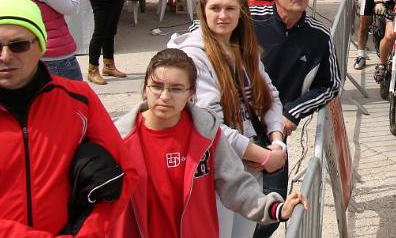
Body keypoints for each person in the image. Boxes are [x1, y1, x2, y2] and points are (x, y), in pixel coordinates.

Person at [0, 0, 132, 235]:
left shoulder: (79, 99)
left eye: (18, 45)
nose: (5, 56)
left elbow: (125, 172)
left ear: (40, 47)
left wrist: (88, 233)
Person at [113, 48, 308, 237]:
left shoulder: (206, 133)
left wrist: (276, 208)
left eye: (176, 89)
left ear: (191, 93)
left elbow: (235, 183)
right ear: (145, 88)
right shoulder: (118, 140)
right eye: (156, 86)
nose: (165, 96)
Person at [167, 0, 286, 238]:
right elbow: (210, 125)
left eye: (230, 9)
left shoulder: (243, 49)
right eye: (216, 8)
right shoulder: (193, 57)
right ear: (203, 10)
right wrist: (264, 157)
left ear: (241, 12)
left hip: (250, 166)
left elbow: (272, 98)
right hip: (216, 170)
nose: (223, 16)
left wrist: (277, 142)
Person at [252, 0, 340, 238]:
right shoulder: (250, 22)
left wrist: (293, 112)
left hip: (276, 134)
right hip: (237, 127)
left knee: (273, 210)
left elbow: (331, 85)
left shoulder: (319, 35)